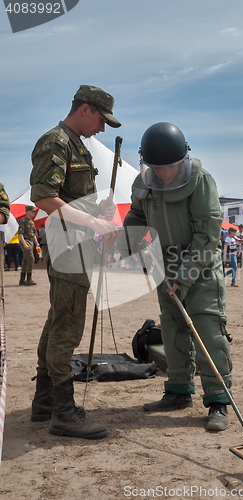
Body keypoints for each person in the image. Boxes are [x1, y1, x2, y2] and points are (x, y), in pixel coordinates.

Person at [119, 122, 233, 431]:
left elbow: (208, 237)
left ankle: (218, 400)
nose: (165, 174)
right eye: (157, 167)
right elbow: (137, 218)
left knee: (209, 332)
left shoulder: (201, 182)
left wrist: (184, 278)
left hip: (201, 268)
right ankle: (179, 391)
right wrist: (126, 246)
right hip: (163, 266)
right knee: (173, 332)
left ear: (182, 160)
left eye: (170, 167)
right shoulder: (143, 183)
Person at [29, 85, 121, 439]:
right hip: (68, 246)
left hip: (76, 243)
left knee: (57, 319)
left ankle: (44, 402)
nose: (102, 128)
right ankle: (64, 413)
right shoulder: (57, 141)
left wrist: (100, 210)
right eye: (101, 119)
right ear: (85, 109)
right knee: (68, 325)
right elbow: (44, 197)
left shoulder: (77, 144)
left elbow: (72, 199)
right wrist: (94, 223)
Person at [18, 205, 40, 285]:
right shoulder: (23, 221)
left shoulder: (32, 222)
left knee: (26, 260)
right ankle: (29, 279)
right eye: (32, 211)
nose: (34, 212)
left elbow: (34, 234)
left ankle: (22, 279)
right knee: (31, 259)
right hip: (25, 241)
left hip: (31, 242)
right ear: (27, 211)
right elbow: (20, 234)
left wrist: (37, 244)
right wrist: (24, 244)